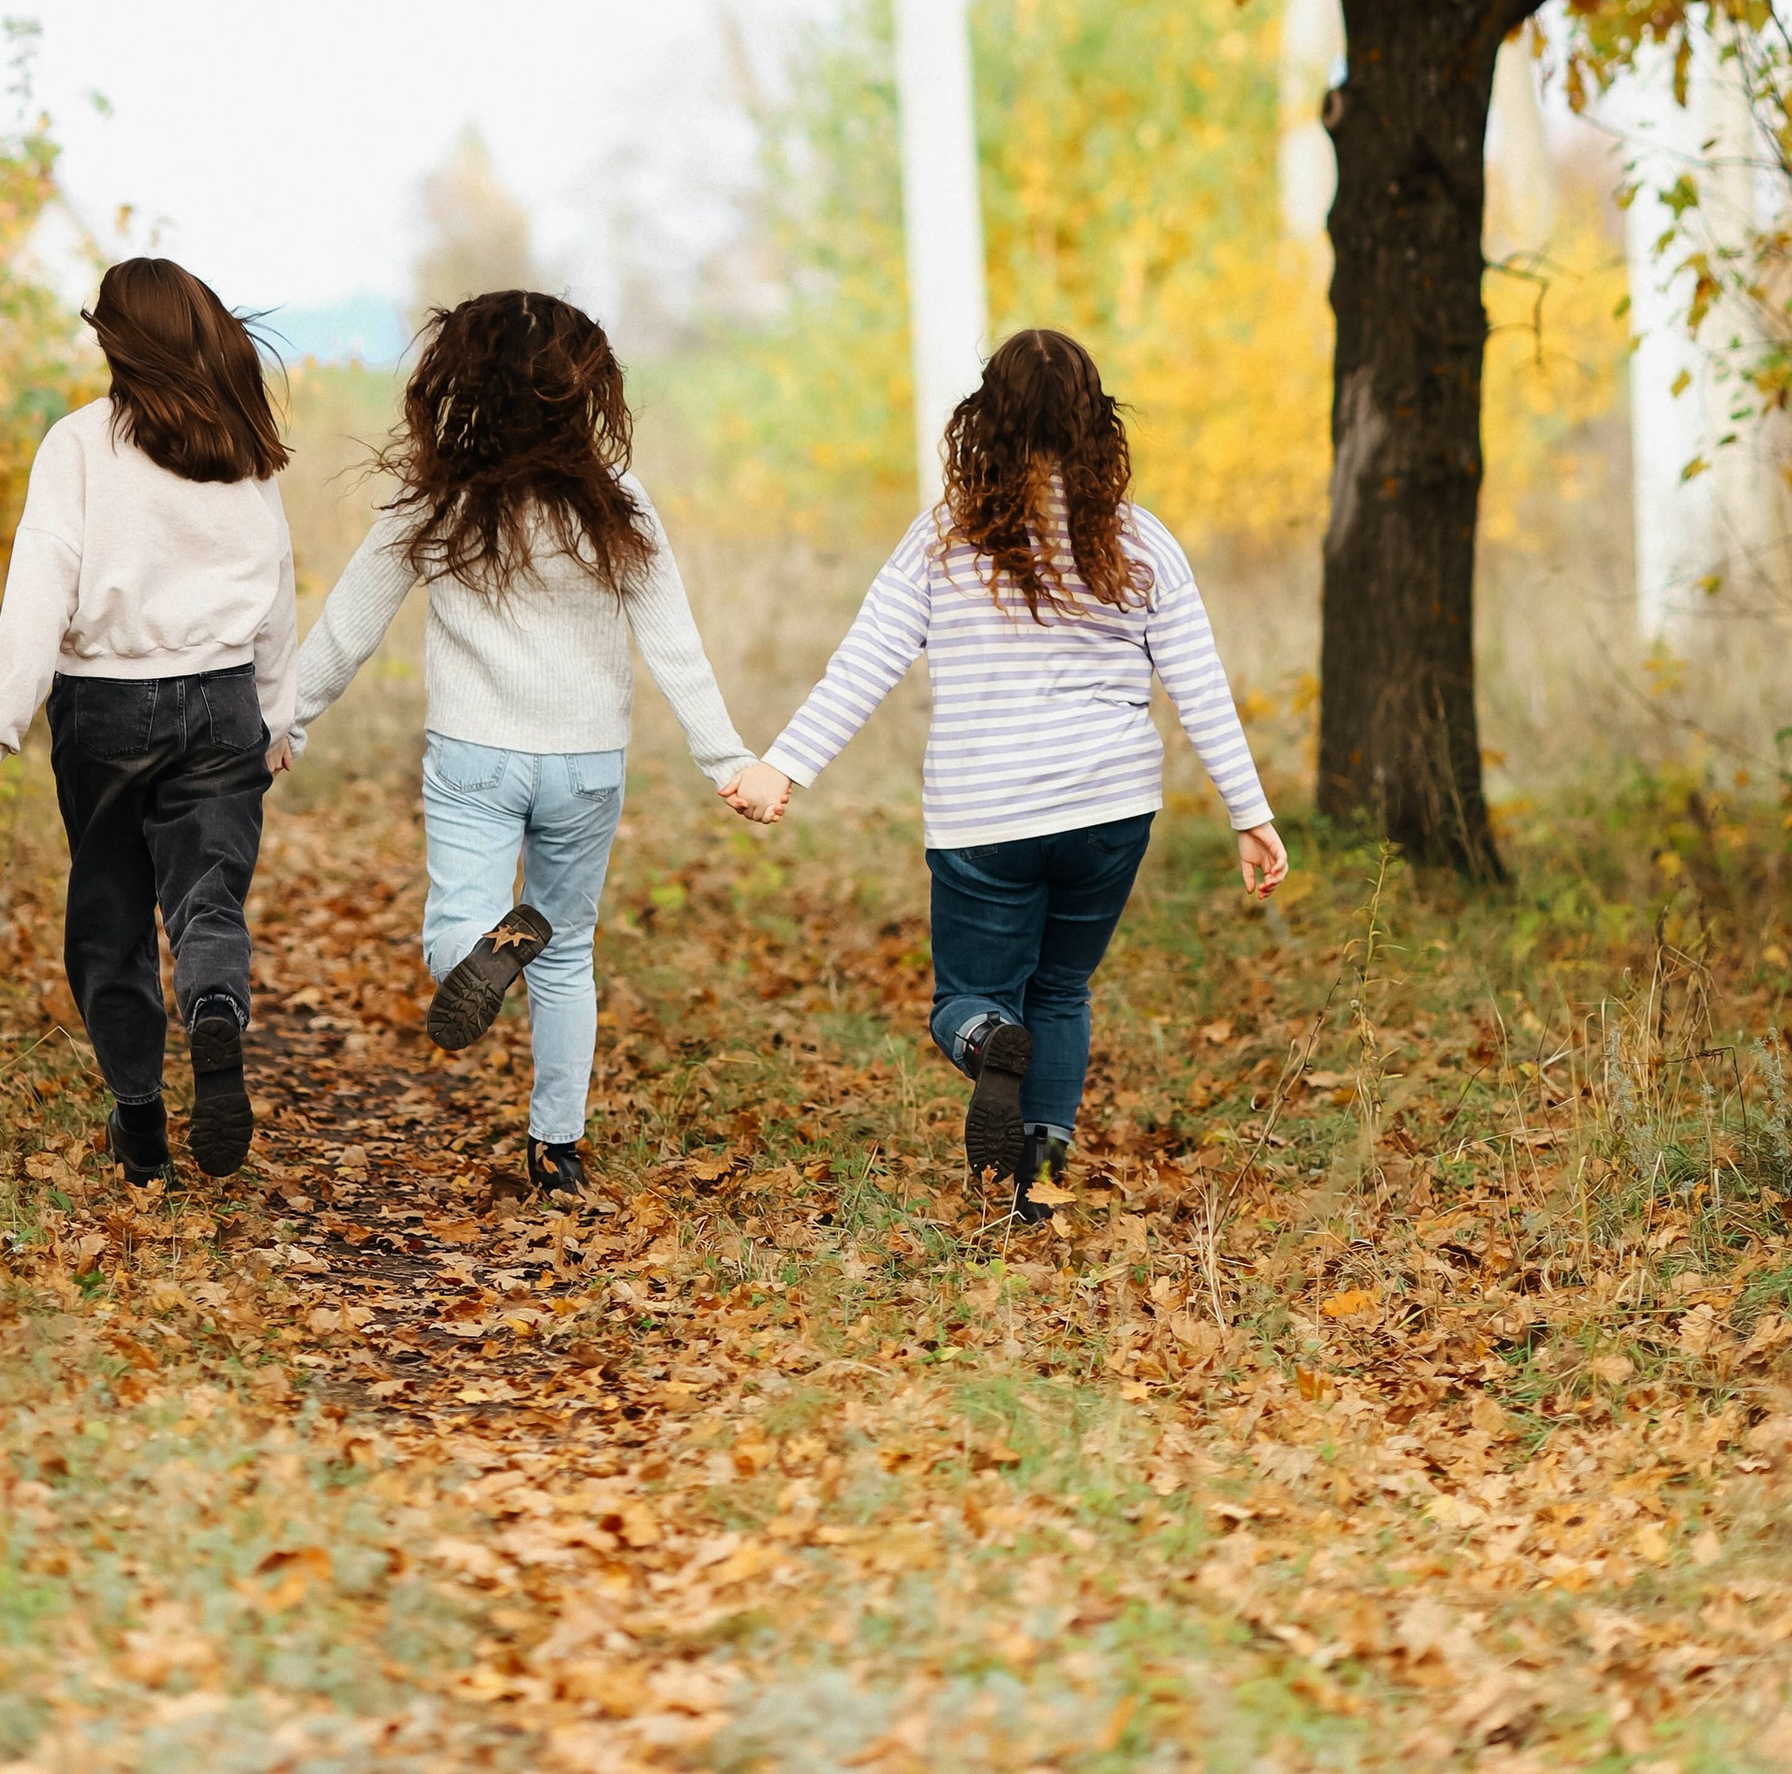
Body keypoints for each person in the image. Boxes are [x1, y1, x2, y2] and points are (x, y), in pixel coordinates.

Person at [723, 327, 1286, 1221]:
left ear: (984, 422)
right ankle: (1041, 1180)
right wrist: (1250, 814)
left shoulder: (943, 541)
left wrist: (783, 766)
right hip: (1108, 810)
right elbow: (1201, 689)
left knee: (970, 998)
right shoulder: (1141, 544)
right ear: (1097, 423)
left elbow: (865, 661)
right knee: (1063, 986)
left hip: (987, 813)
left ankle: (988, 1040)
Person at [294, 289, 753, 1201]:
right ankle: (557, 1151)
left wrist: (288, 719)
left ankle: (486, 945)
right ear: (584, 390)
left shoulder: (439, 496)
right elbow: (675, 644)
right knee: (570, 951)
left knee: (453, 930)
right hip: (586, 762)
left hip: (477, 753)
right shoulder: (618, 504)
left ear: (462, 383)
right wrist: (727, 759)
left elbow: (351, 624)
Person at [0, 258, 297, 1189]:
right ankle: (215, 1005)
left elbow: (40, 584)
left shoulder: (77, 446)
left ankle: (140, 1123)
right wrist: (278, 713)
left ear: (114, 341)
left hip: (104, 706)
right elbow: (276, 588)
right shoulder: (240, 447)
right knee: (207, 896)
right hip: (224, 700)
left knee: (110, 907)